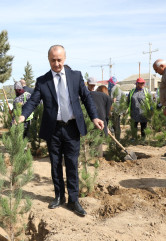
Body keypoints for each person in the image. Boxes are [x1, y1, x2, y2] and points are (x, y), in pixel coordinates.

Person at [18, 45, 104, 216]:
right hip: (53, 129)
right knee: (55, 164)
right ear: (48, 60)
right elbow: (34, 101)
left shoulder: (75, 76)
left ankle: (74, 200)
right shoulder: (43, 81)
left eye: (59, 60)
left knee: (72, 164)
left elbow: (86, 97)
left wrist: (94, 117)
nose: (56, 63)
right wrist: (22, 116)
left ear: (65, 59)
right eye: (53, 60)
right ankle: (59, 197)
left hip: (72, 127)